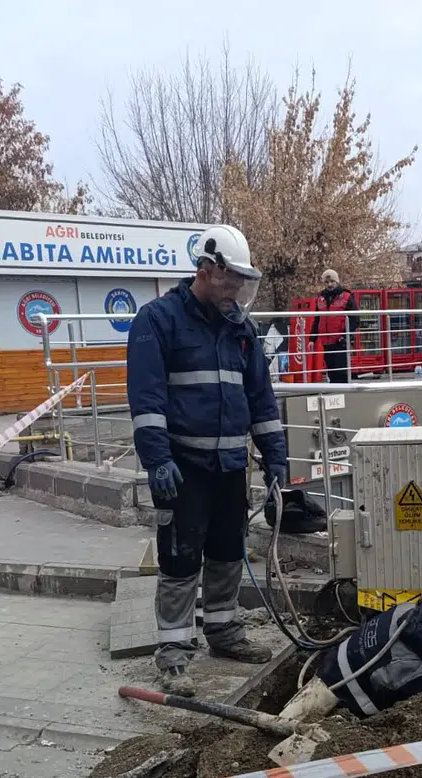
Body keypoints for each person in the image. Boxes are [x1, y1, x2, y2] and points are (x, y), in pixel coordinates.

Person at [127, 224, 288, 697]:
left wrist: (276, 459)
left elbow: (261, 400)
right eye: (230, 279)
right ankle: (174, 652)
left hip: (229, 468)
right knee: (180, 559)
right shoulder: (158, 320)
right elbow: (147, 399)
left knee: (225, 551)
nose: (237, 289)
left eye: (242, 280)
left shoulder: (241, 330)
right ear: (205, 269)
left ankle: (223, 632)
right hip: (183, 469)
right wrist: (157, 460)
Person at [313, 268, 358, 383]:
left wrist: (346, 337)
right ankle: (336, 396)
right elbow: (317, 320)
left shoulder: (347, 297)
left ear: (337, 281)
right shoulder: (320, 298)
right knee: (331, 373)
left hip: (340, 342)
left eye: (332, 281)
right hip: (327, 343)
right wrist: (312, 339)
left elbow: (355, 319)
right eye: (326, 282)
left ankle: (344, 396)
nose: (329, 284)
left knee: (342, 374)